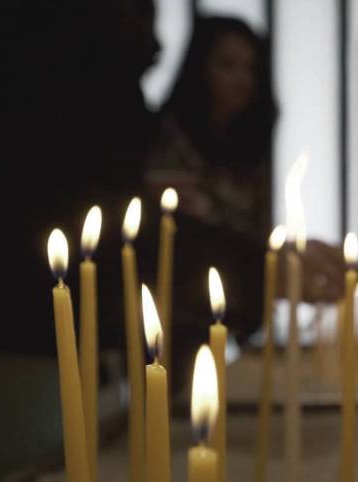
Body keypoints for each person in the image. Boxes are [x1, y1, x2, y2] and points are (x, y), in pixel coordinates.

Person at [146, 16, 345, 382]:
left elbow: (249, 232)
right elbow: (190, 237)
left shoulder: (247, 149)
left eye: (250, 68)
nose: (241, 79)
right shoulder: (167, 141)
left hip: (231, 313)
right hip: (173, 315)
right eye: (227, 65)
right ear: (199, 68)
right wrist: (272, 266)